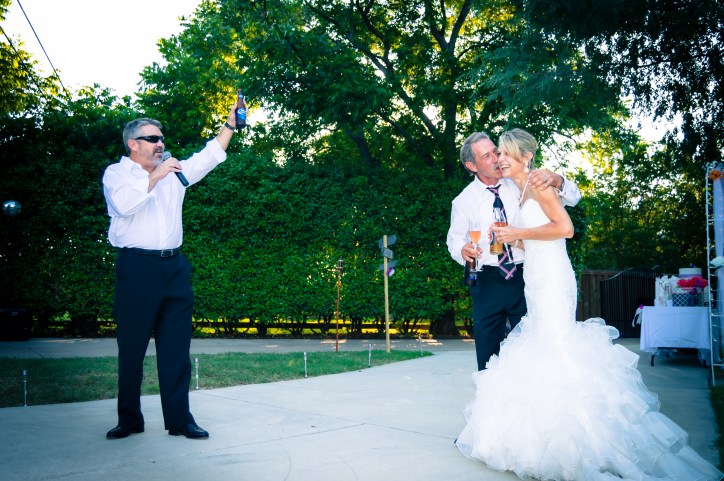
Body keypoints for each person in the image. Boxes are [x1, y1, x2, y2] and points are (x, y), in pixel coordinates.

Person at [455, 128, 724, 480]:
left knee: (556, 344)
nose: (498, 159)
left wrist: (552, 187)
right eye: (492, 155)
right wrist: (498, 242)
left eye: (502, 152)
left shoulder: (538, 182)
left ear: (525, 156)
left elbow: (565, 225)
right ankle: (526, 430)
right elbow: (469, 240)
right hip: (524, 275)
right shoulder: (491, 194)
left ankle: (580, 435)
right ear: (472, 165)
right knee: (530, 347)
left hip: (549, 278)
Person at [102, 101, 238, 440]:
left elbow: (209, 156)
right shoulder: (117, 174)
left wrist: (230, 126)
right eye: (152, 138)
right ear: (133, 144)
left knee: (176, 350)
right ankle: (129, 420)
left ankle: (180, 421)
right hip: (137, 268)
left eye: (161, 138)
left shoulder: (175, 172)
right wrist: (156, 175)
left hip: (174, 268)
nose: (160, 143)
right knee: (132, 349)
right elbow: (124, 206)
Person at [446, 131, 581, 370]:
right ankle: (489, 392)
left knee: (533, 345)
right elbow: (454, 240)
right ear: (472, 166)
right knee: (488, 349)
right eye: (487, 156)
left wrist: (558, 179)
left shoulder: (518, 181)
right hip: (486, 280)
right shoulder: (463, 201)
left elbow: (572, 199)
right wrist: (462, 250)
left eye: (496, 152)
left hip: (524, 274)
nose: (497, 159)